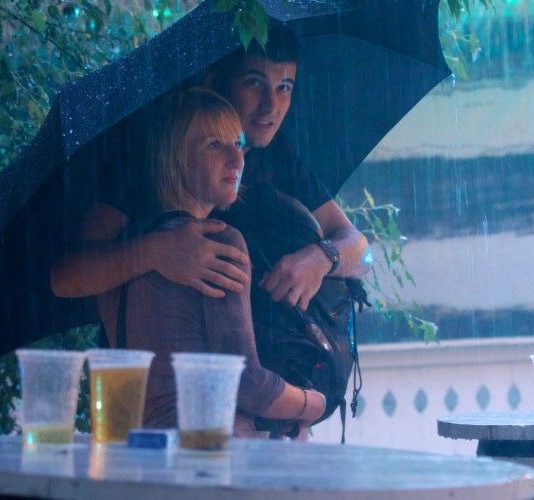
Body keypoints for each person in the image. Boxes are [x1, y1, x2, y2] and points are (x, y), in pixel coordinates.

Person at [50, 24, 371, 313]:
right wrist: (155, 250)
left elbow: (358, 247)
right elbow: (67, 277)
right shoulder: (153, 154)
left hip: (254, 351)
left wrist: (321, 258)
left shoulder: (276, 153)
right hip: (157, 348)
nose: (271, 106)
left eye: (283, 87)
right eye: (254, 83)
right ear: (213, 80)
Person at [96, 88, 326, 434]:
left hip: (136, 445)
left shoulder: (125, 250)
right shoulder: (217, 243)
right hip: (203, 446)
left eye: (238, 144)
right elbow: (246, 384)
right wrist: (312, 403)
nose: (237, 160)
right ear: (176, 158)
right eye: (214, 145)